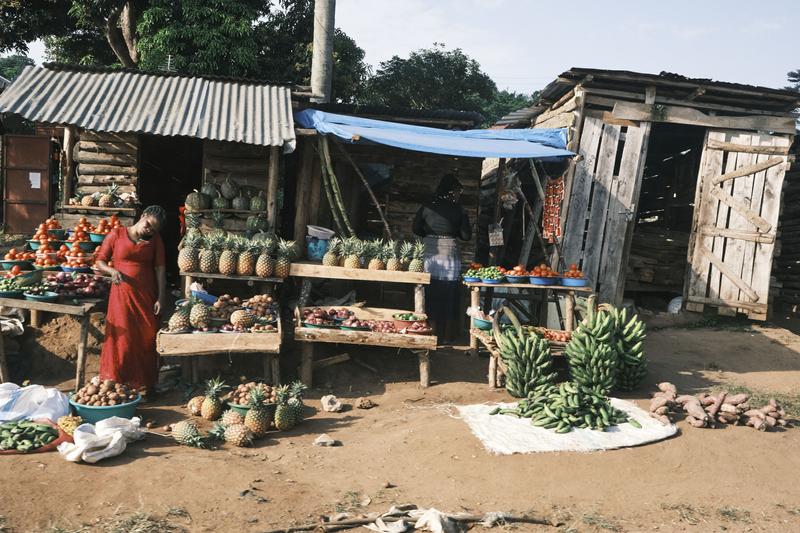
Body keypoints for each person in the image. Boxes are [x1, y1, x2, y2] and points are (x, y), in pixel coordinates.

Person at [94, 205, 167, 397]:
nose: (149, 230)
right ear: (143, 216)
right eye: (149, 225)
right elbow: (100, 261)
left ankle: (144, 385)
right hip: (121, 297)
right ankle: (118, 383)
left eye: (154, 229)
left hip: (146, 296)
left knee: (146, 338)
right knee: (122, 339)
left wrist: (161, 297)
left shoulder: (155, 241)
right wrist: (112, 271)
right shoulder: (116, 234)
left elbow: (160, 270)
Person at [413, 174, 472, 342]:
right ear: (451, 192)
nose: (459, 194)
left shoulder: (427, 207)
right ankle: (446, 336)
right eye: (457, 191)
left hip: (430, 252)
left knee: (430, 290)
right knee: (448, 292)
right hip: (449, 254)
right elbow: (466, 236)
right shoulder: (459, 210)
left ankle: (430, 332)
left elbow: (416, 229)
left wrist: (431, 235)